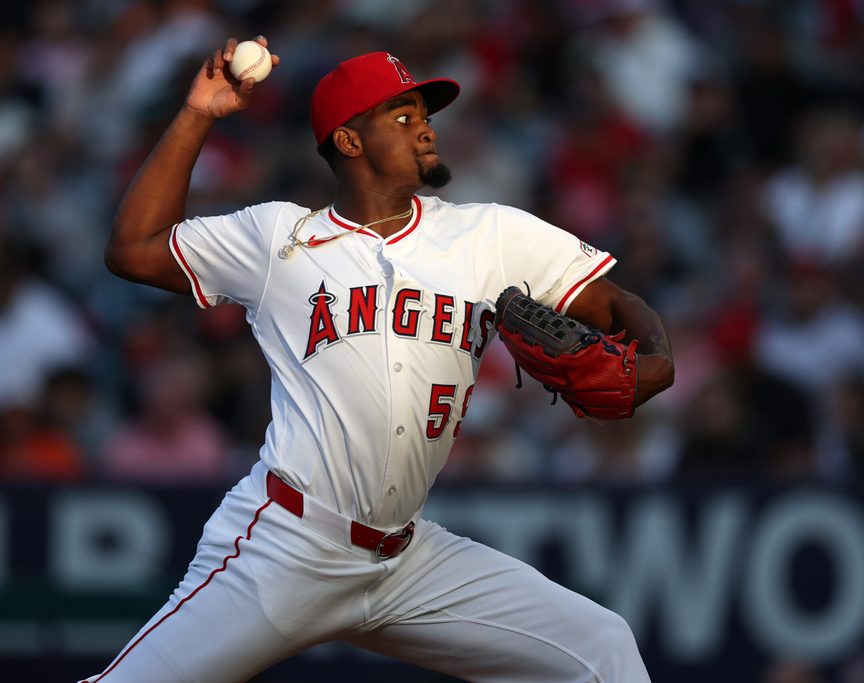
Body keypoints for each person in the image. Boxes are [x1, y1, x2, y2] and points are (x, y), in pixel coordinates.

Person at [81, 37, 674, 683]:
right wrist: (198, 113)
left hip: (406, 559)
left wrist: (656, 362)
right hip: (287, 545)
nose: (424, 128)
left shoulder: (491, 234)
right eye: (402, 116)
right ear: (349, 140)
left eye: (424, 114)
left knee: (602, 649)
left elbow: (622, 308)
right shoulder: (281, 238)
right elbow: (133, 248)